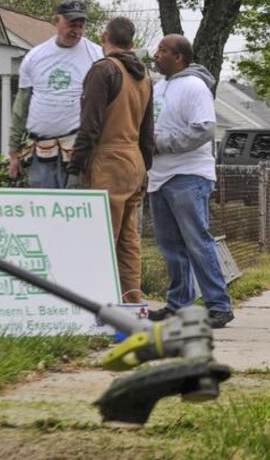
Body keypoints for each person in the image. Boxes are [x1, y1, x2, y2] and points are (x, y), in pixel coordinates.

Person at [146, 35, 234, 328]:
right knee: (170, 245)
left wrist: (163, 143)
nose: (157, 55)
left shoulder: (194, 86)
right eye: (158, 50)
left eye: (163, 51)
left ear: (179, 57)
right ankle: (179, 305)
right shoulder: (159, 87)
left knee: (197, 242)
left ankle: (218, 306)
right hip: (159, 177)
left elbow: (205, 129)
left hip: (188, 175)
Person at [68, 17, 154, 303]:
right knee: (128, 240)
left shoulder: (103, 70)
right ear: (133, 42)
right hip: (135, 162)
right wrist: (145, 168)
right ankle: (132, 302)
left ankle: (99, 306)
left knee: (102, 238)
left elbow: (90, 124)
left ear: (104, 37)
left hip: (109, 160)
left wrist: (76, 166)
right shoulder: (144, 77)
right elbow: (148, 132)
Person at [7, 0, 103, 187]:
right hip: (40, 150)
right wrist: (13, 152)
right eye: (71, 24)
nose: (76, 30)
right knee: (41, 210)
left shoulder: (98, 56)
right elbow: (21, 107)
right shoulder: (35, 56)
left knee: (75, 211)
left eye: (80, 25)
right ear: (56, 21)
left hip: (79, 152)